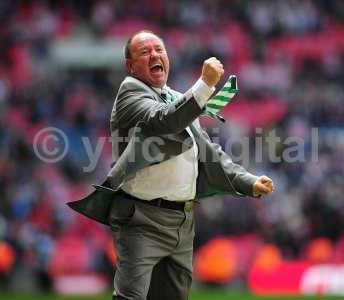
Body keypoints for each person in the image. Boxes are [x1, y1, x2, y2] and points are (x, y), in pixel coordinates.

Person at [68, 30, 274, 300]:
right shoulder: (130, 94)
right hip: (141, 218)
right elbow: (164, 121)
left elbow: (208, 153)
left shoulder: (178, 98)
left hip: (182, 221)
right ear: (131, 66)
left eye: (159, 49)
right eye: (145, 51)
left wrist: (248, 181)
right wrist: (204, 85)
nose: (155, 54)